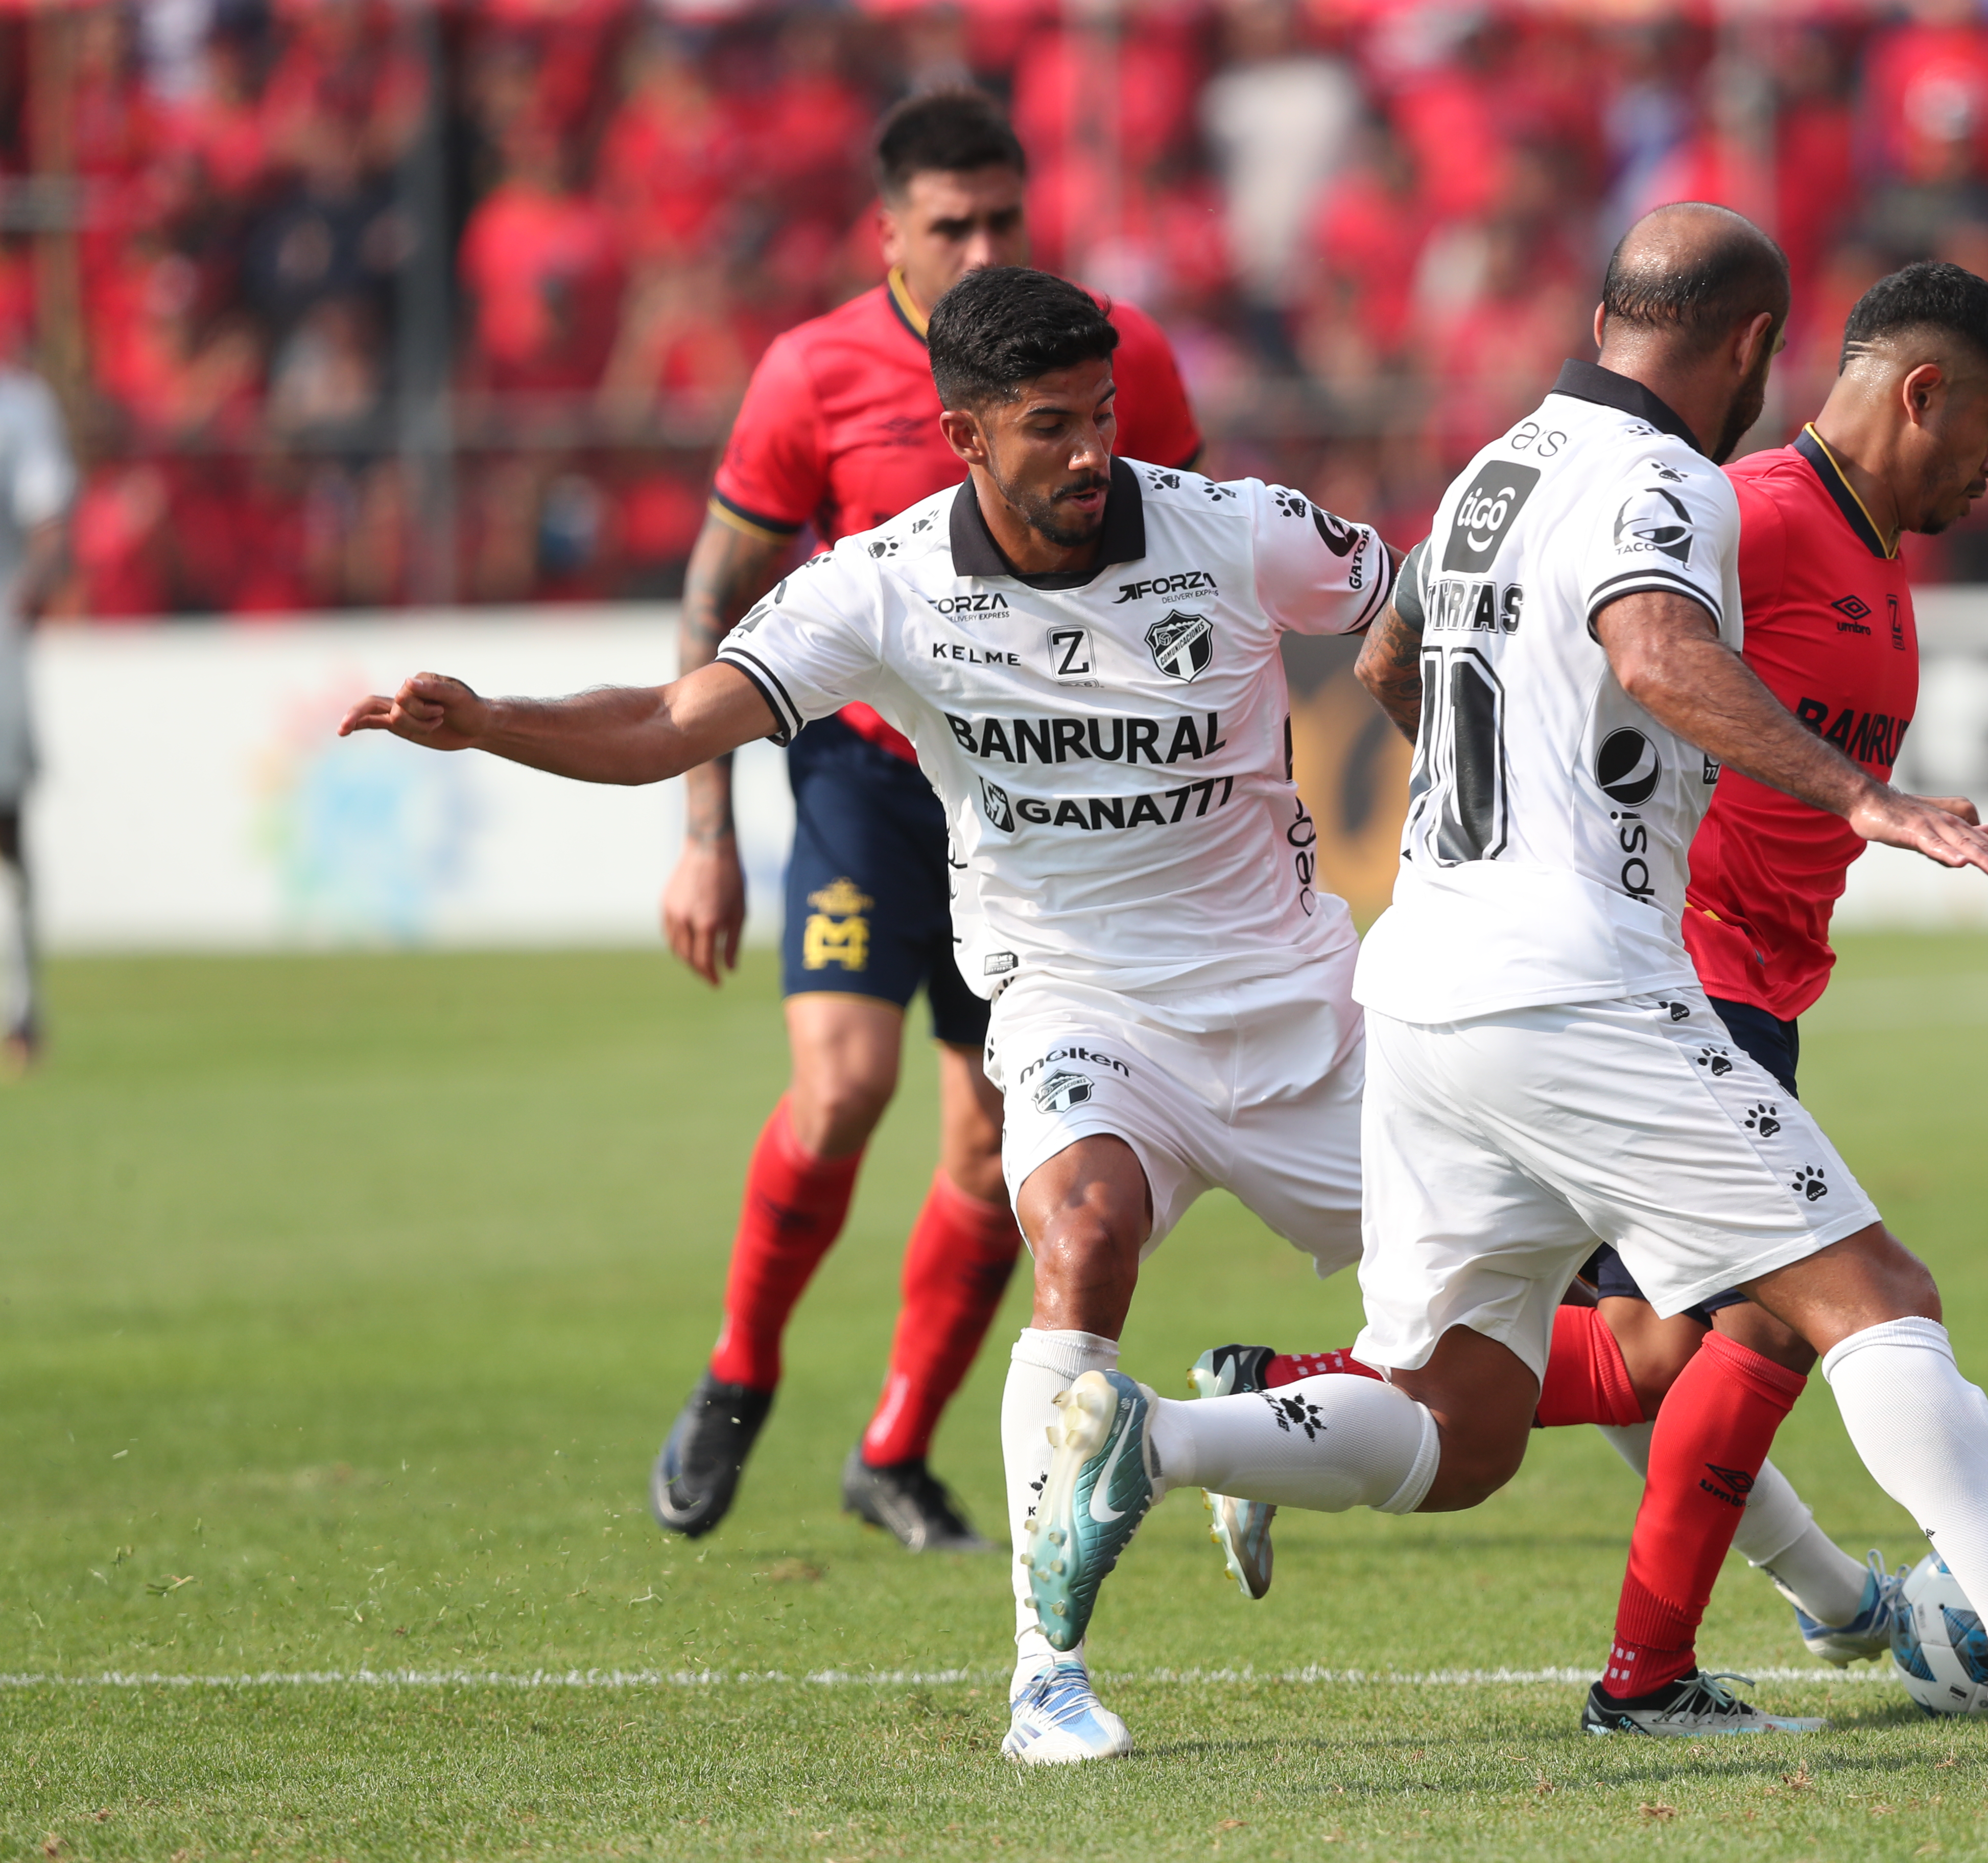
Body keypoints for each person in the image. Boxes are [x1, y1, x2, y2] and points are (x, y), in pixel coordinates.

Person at [1021, 211, 1988, 1758]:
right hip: (1580, 982)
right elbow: (1661, 646)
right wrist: (1862, 797)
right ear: (1752, 347)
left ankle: (1160, 1437)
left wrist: (1526, 793)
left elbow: (1395, 662)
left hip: (1426, 982)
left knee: (1458, 1416)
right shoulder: (1675, 481)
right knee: (1867, 1295)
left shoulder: (1493, 470)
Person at [340, 267, 1397, 1767]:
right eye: (1051, 429)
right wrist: (492, 722)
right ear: (962, 434)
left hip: (1300, 1010)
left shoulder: (1241, 532)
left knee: (1500, 1361)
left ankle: (1251, 1424)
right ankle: (1049, 1679)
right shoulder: (886, 585)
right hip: (1080, 1010)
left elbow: (1424, 604)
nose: (1095, 453)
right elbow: (667, 718)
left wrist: (1441, 711)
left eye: (1103, 417)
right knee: (1081, 1235)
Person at [650, 90, 1203, 1555]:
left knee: (983, 1152)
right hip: (863, 781)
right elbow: (718, 596)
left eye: (1001, 219)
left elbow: (1181, 550)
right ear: (885, 232)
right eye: (947, 223)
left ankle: (893, 1448)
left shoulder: (1115, 352)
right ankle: (740, 1371)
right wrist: (704, 828)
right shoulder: (809, 371)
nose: (977, 245)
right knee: (840, 1089)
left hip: (1027, 804)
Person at [0, 362, 74, 1077]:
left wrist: (30, 587)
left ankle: (23, 1007)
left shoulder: (18, 407)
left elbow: (48, 523)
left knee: (7, 827)